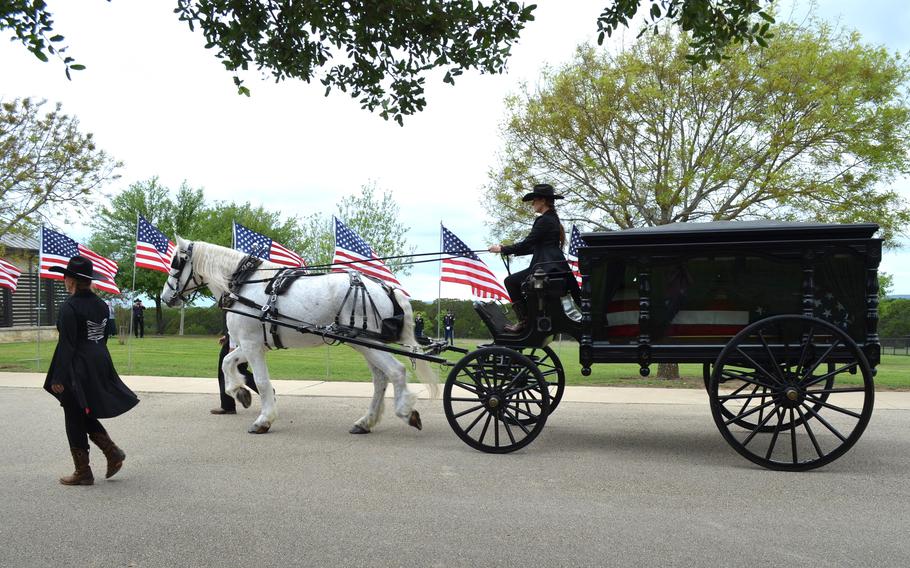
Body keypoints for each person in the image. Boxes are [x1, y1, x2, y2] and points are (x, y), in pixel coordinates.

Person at [44, 256, 139, 486]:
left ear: (71, 281)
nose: (64, 281)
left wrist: (59, 376)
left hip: (77, 365)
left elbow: (68, 344)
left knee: (73, 413)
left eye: (65, 278)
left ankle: (84, 471)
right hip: (99, 360)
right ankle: (110, 453)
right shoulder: (101, 304)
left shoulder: (70, 307)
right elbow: (104, 335)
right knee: (80, 411)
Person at [489, 183, 580, 333]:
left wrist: (502, 249)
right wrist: (508, 250)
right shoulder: (552, 219)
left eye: (534, 200)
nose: (532, 204)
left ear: (543, 201)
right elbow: (537, 246)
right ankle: (527, 319)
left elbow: (528, 242)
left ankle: (524, 321)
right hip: (552, 265)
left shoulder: (544, 220)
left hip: (546, 266)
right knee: (514, 281)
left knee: (510, 282)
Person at [212, 317, 259, 414]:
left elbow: (235, 319)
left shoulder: (229, 302)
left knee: (225, 371)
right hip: (240, 339)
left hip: (234, 343)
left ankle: (228, 406)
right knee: (240, 370)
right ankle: (266, 391)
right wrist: (227, 336)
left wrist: (231, 346)